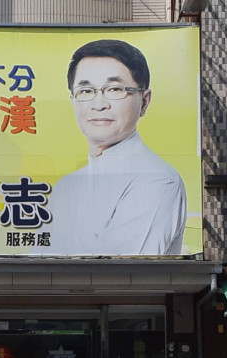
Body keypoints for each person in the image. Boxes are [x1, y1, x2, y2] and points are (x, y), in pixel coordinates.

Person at [37, 39, 187, 256]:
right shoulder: (65, 187)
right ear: (73, 100)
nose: (99, 104)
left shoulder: (156, 180)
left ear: (144, 101)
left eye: (114, 89)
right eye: (86, 91)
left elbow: (119, 273)